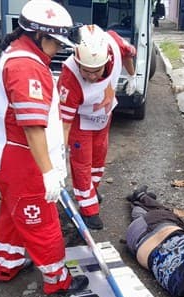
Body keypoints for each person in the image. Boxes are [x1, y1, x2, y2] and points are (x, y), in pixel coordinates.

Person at [0, 0, 88, 294]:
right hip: (19, 156)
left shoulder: (16, 53)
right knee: (41, 218)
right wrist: (49, 173)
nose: (57, 50)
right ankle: (57, 279)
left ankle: (7, 264)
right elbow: (32, 126)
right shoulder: (26, 67)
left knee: (16, 211)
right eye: (55, 43)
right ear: (40, 36)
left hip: (0, 151)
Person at [57, 24, 136, 230]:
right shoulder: (69, 76)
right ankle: (88, 210)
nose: (91, 77)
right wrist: (59, 153)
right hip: (79, 122)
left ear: (107, 60)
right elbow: (64, 123)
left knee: (99, 159)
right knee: (82, 163)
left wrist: (132, 75)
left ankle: (92, 189)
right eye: (86, 71)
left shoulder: (114, 43)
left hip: (103, 117)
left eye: (97, 71)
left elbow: (128, 53)